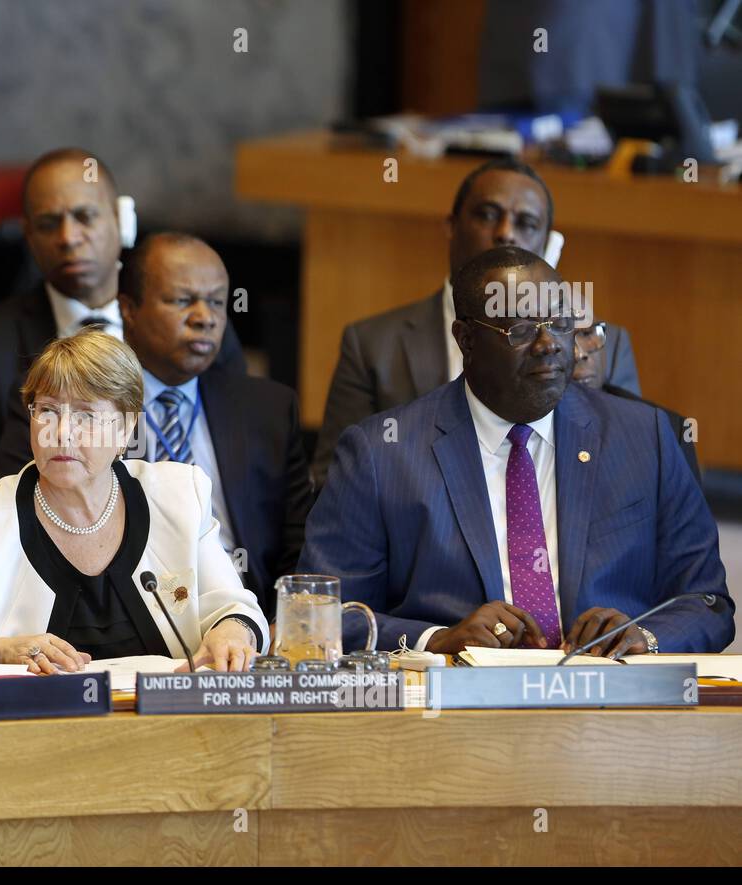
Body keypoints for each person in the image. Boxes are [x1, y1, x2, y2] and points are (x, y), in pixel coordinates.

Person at [300, 246, 732, 657]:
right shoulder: (381, 453)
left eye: (561, 323)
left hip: (611, 703)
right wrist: (436, 639)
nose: (549, 344)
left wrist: (646, 638)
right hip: (455, 710)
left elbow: (707, 600)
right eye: (521, 330)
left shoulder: (645, 437)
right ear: (465, 339)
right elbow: (317, 614)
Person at [0, 331, 268, 673]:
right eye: (47, 411)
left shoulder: (180, 497)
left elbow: (235, 609)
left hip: (164, 723)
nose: (62, 433)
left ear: (126, 429)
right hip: (31, 730)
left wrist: (232, 632)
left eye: (86, 415)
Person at [0, 147, 243, 516]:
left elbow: (238, 448)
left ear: (120, 221)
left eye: (85, 217)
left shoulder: (187, 321)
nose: (69, 237)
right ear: (28, 236)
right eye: (49, 223)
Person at [311, 157, 641, 491]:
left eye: (526, 223)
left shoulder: (602, 345)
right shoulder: (373, 345)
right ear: (451, 226)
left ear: (547, 245)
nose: (506, 233)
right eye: (487, 215)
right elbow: (335, 486)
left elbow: (632, 477)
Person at [119, 232, 311, 616]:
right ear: (128, 309)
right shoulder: (84, 407)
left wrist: (278, 624)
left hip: (243, 618)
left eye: (216, 303)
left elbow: (301, 547)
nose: (204, 318)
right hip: (125, 619)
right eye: (181, 301)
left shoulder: (268, 409)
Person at [571, 318, 701, 482]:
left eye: (588, 334)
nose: (580, 354)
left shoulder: (669, 432)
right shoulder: (531, 432)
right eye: (566, 338)